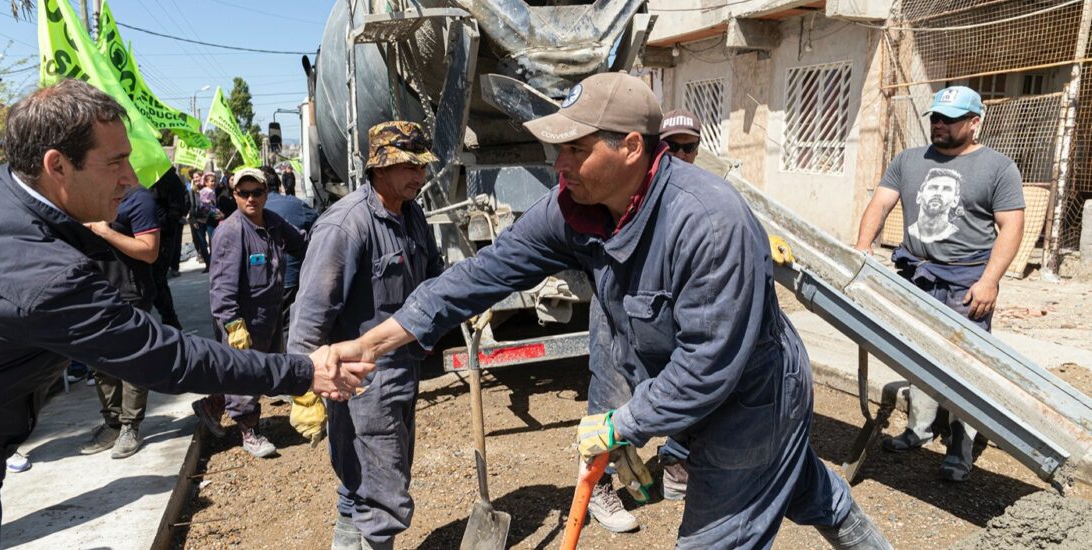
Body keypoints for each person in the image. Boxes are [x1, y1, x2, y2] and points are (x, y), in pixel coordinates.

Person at [331, 73, 891, 549]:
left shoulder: (709, 224)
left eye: (576, 148)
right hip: (698, 393)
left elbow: (707, 367)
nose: (559, 163)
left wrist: (622, 424)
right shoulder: (574, 207)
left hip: (753, 400)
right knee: (807, 491)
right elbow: (482, 274)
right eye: (560, 148)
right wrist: (372, 344)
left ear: (630, 147)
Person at [0, 80, 371, 549]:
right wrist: (305, 370)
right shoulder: (43, 270)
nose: (130, 176)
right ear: (56, 165)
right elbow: (166, 357)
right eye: (115, 161)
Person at [288, 121, 444, 550]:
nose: (419, 174)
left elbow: (431, 280)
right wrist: (301, 382)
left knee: (364, 480)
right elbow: (311, 311)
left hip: (403, 370)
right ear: (379, 168)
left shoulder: (412, 215)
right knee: (383, 498)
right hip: (363, 383)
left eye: (421, 164)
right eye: (408, 165)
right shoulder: (346, 225)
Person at [855, 85, 1025, 482]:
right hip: (918, 273)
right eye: (935, 117)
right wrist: (863, 249)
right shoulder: (909, 160)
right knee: (919, 356)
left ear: (975, 122)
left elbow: (1011, 227)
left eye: (949, 119)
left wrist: (990, 281)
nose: (939, 124)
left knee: (964, 366)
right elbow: (880, 203)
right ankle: (920, 428)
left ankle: (960, 449)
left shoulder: (997, 167)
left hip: (968, 279)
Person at [581, 107, 704, 533]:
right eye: (675, 146)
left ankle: (675, 463)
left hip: (668, 313)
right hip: (619, 304)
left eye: (691, 146)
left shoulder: (695, 194)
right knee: (613, 390)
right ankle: (598, 484)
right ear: (655, 149)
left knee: (682, 385)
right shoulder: (629, 192)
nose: (683, 154)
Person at [192, 168, 307, 458]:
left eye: (257, 192)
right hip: (242, 319)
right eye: (244, 193)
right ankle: (248, 430)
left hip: (268, 315)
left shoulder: (273, 223)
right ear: (235, 195)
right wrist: (232, 323)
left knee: (254, 372)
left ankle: (213, 404)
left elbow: (301, 243)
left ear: (266, 193)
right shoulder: (231, 232)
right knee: (245, 376)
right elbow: (220, 285)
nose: (251, 198)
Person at [78, 185, 163, 459]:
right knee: (101, 365)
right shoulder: (88, 195)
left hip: (129, 293)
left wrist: (106, 231)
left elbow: (149, 251)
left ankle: (130, 425)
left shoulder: (138, 199)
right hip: (92, 292)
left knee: (132, 363)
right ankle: (113, 422)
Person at [262, 165, 319, 351]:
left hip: (261, 282)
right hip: (291, 278)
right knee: (288, 325)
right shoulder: (295, 204)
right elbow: (319, 224)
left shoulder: (248, 211)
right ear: (278, 184)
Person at [150, 168, 189, 323]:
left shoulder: (168, 177)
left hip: (162, 234)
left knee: (157, 279)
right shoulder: (134, 175)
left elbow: (181, 204)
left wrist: (166, 223)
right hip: (140, 233)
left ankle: (170, 319)